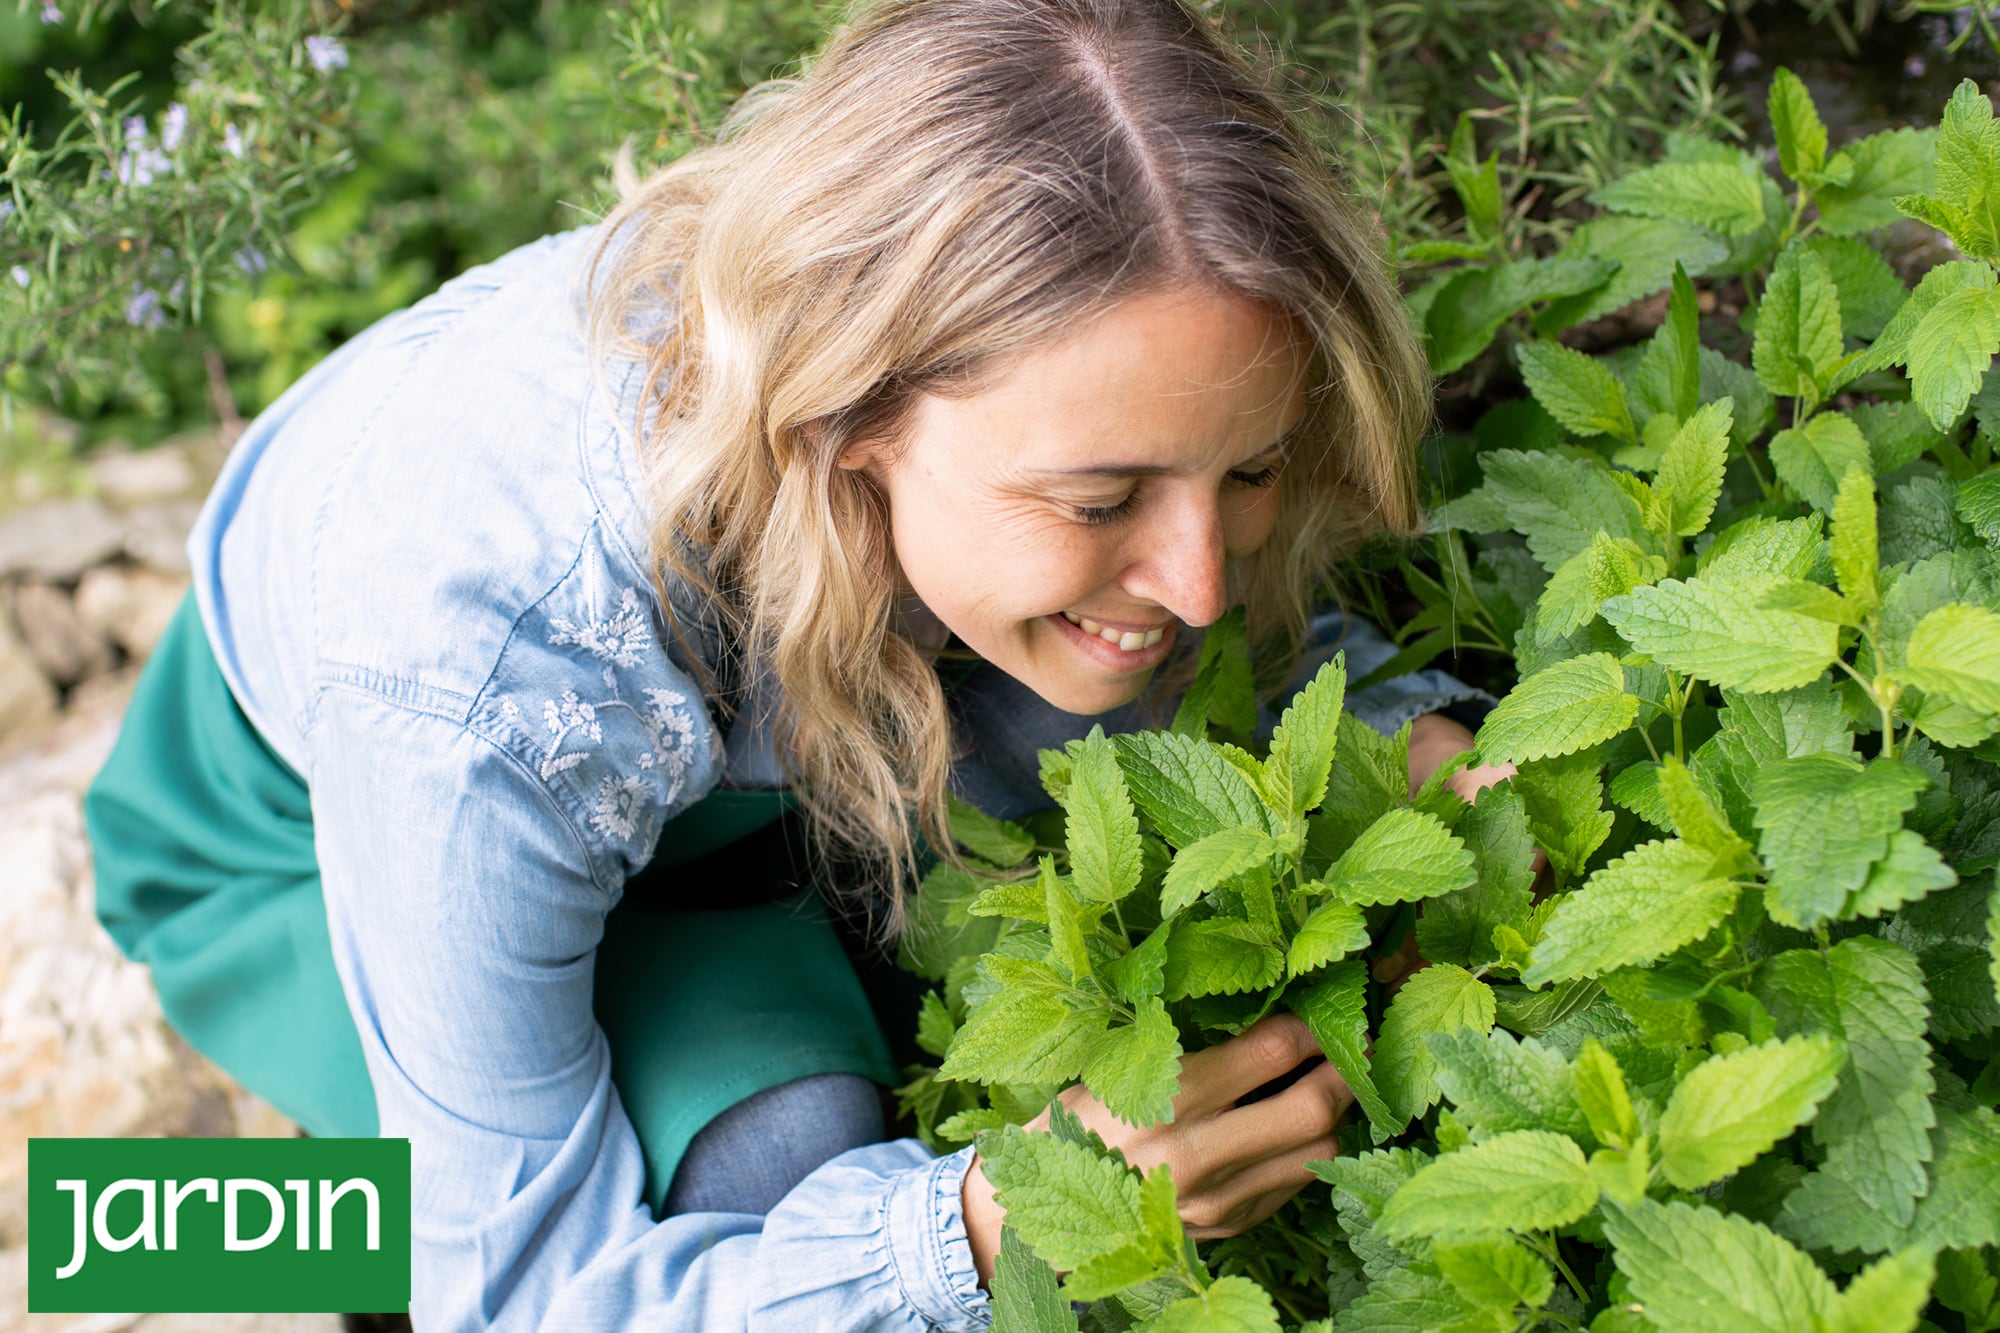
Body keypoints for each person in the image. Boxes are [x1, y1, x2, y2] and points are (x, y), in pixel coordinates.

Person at [82, 0, 1510, 1325]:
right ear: (846, 415)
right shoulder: (492, 670)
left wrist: (1412, 739)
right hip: (292, 841)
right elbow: (514, 1291)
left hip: (739, 753)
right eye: (1100, 502)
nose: (1203, 583)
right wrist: (989, 1219)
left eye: (1252, 470)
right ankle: (202, 1224)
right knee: (774, 1159)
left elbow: (1222, 606)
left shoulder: (992, 416)